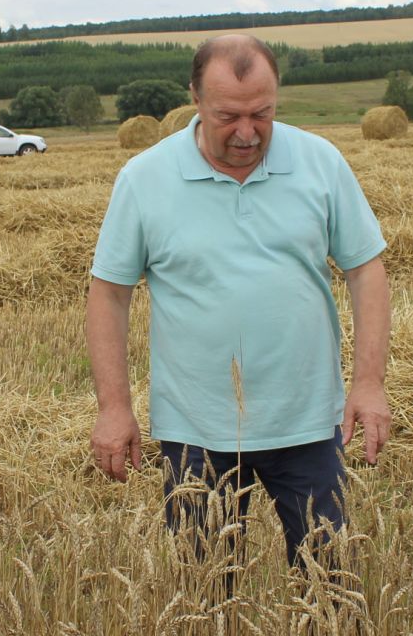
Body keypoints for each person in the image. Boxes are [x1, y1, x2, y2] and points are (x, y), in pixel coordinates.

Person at [86, 33, 391, 565]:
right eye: (229, 116)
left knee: (331, 592)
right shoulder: (144, 178)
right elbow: (109, 295)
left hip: (309, 423)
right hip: (196, 430)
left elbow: (367, 272)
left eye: (263, 114)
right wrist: (114, 408)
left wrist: (368, 384)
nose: (248, 133)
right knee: (206, 602)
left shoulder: (321, 163)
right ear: (195, 100)